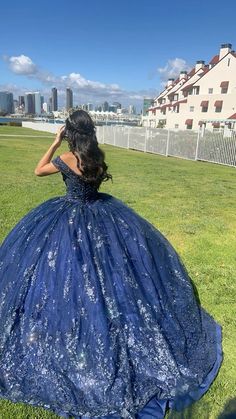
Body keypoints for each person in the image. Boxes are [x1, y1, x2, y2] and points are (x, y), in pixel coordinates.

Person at [0, 109, 222, 419]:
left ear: (69, 132)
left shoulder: (66, 158)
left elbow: (38, 171)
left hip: (69, 216)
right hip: (101, 214)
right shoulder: (97, 157)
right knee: (112, 270)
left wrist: (53, 143)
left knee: (67, 272)